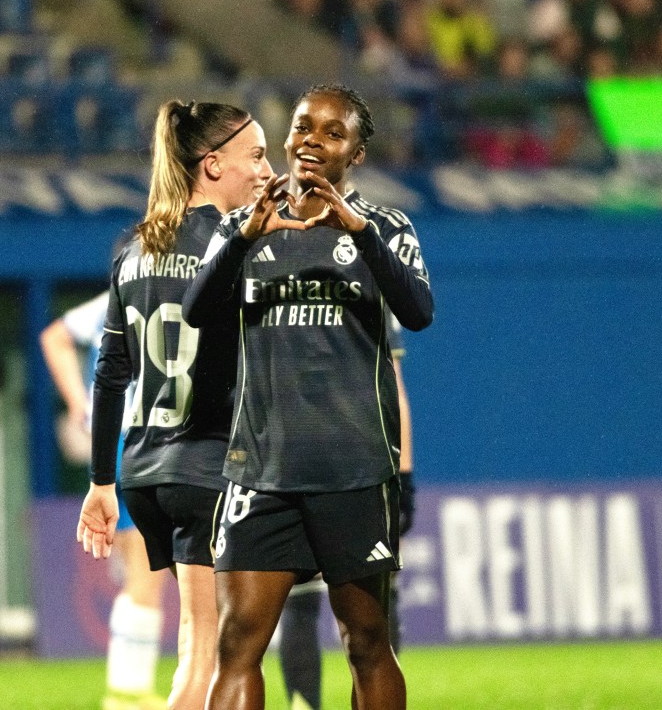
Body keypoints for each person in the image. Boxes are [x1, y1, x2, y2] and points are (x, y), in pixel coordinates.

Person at [183, 83, 433, 710]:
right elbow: (195, 311)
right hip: (261, 471)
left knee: (367, 641)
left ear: (357, 154)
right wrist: (242, 241)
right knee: (238, 642)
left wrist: (363, 237)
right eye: (302, 127)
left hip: (352, 469)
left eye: (331, 132)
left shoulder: (387, 228)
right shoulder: (244, 224)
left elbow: (420, 311)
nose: (312, 142)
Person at [76, 99, 274, 710]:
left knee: (198, 645)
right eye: (258, 156)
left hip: (147, 467)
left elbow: (110, 375)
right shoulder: (235, 246)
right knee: (222, 656)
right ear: (212, 165)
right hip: (213, 465)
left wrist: (100, 484)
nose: (268, 171)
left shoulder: (133, 249)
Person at [277, 311, 418, 710]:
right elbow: (395, 390)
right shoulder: (365, 277)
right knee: (367, 603)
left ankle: (307, 704)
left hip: (301, 461)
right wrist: (404, 476)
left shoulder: (274, 270)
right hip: (353, 465)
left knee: (315, 600)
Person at [41, 291, 171, 710]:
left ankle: (128, 688)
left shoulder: (116, 296)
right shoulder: (149, 286)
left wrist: (81, 403)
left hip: (120, 438)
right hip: (138, 435)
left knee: (149, 566)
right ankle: (128, 692)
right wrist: (81, 403)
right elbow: (54, 337)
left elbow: (56, 337)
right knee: (149, 566)